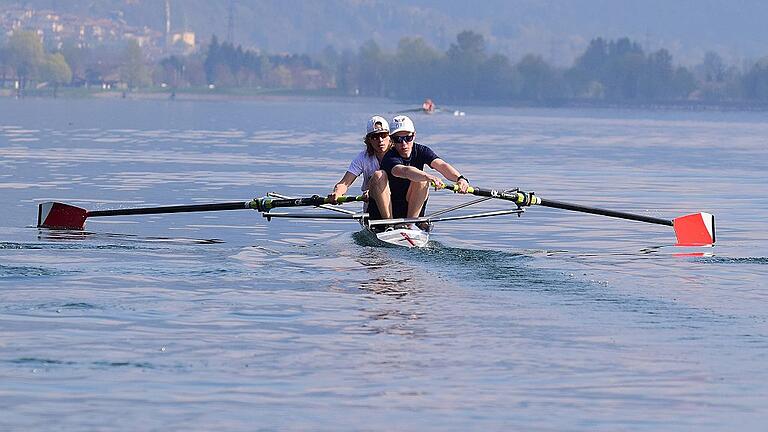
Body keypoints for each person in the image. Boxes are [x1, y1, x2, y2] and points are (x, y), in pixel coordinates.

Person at [372, 115, 469, 223]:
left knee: (422, 180)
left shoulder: (422, 150)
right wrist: (428, 176)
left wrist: (460, 179)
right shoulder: (389, 157)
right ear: (392, 140)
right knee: (378, 175)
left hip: (410, 213)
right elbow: (404, 171)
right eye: (398, 139)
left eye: (408, 138)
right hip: (386, 213)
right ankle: (388, 225)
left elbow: (441, 165)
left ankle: (410, 224)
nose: (404, 144)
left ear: (414, 136)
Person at [327, 115, 392, 220]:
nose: (380, 140)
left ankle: (408, 223)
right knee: (379, 176)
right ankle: (389, 224)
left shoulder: (398, 154)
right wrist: (337, 192)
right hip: (373, 208)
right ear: (369, 140)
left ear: (390, 137)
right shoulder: (363, 158)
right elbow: (344, 183)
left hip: (397, 204)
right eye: (375, 137)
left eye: (383, 135)